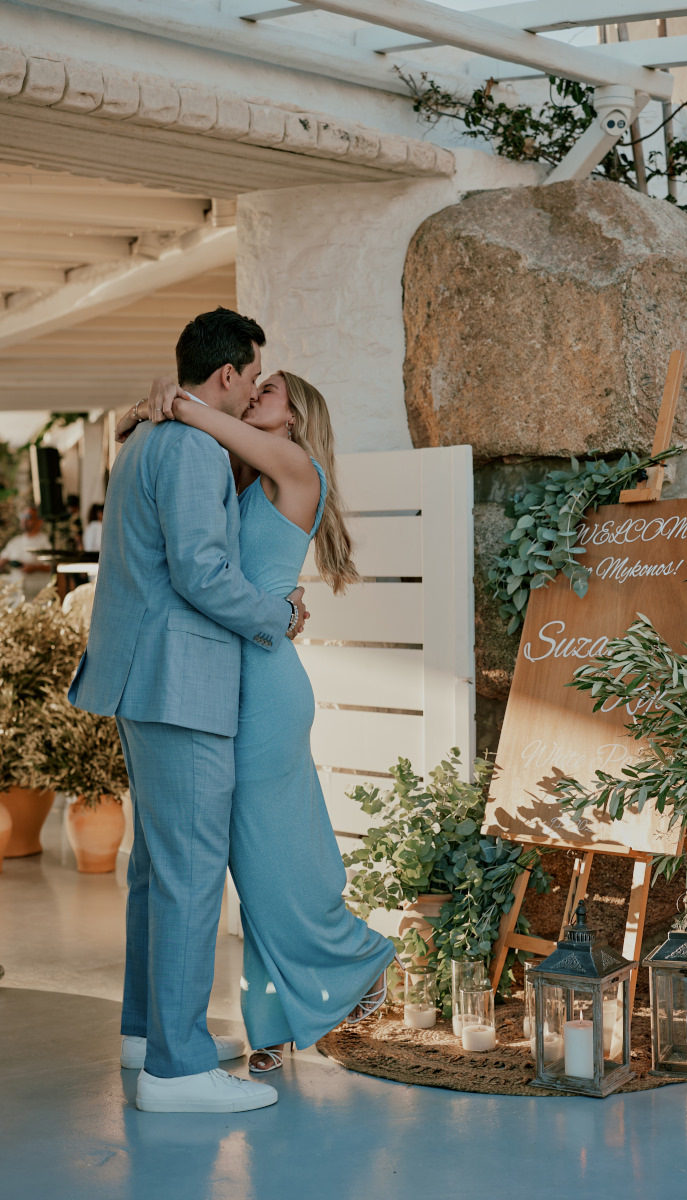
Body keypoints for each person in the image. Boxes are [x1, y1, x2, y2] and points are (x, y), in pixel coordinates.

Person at [69, 307, 308, 1114]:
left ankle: (148, 1036)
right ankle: (176, 1069)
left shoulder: (153, 439)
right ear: (230, 374)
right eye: (250, 377)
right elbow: (201, 573)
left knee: (155, 868)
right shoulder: (193, 447)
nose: (249, 395)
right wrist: (275, 616)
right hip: (181, 683)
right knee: (189, 872)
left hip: (150, 679)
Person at [140, 367, 398, 1076]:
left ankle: (363, 960)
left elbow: (206, 420)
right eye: (255, 388)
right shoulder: (250, 475)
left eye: (269, 391)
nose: (255, 397)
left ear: (295, 418)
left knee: (266, 860)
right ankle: (275, 1028)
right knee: (250, 864)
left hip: (267, 693)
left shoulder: (297, 466)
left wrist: (174, 394)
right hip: (236, 681)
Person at [0, 505, 52, 602]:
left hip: (39, 597)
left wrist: (34, 568)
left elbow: (53, 566)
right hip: (16, 597)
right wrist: (5, 561)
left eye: (28, 517)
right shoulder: (14, 542)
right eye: (22, 516)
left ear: (39, 521)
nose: (24, 520)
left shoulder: (45, 541)